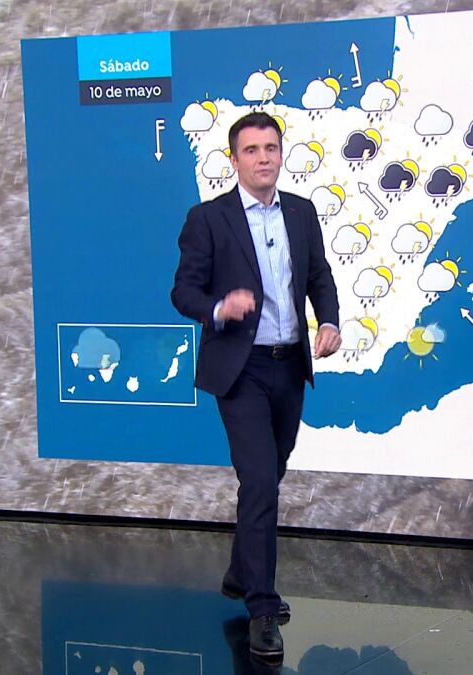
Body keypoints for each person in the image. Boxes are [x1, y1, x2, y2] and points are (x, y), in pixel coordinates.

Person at [171, 111, 341, 660]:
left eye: (271, 148)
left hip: (289, 367)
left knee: (271, 476)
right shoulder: (208, 219)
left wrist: (330, 320)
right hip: (240, 370)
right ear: (234, 159)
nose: (263, 158)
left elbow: (318, 275)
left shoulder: (302, 212)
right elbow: (183, 291)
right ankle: (262, 609)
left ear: (280, 154)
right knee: (261, 482)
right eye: (252, 150)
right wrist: (219, 307)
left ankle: (241, 573)